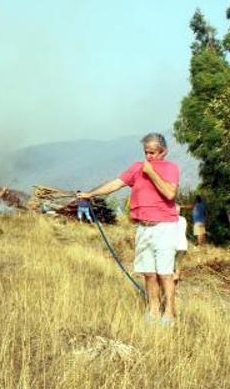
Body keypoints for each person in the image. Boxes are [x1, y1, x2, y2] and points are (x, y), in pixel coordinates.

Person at [77, 133, 180, 326]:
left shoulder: (170, 168)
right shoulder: (136, 168)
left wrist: (151, 173)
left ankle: (169, 314)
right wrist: (91, 193)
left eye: (153, 153)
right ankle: (153, 310)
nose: (148, 156)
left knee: (165, 273)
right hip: (143, 227)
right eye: (146, 152)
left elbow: (170, 193)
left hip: (164, 228)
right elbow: (116, 184)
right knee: (148, 272)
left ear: (163, 152)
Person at [174, 204, 188, 283]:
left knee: (170, 263)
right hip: (183, 245)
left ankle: (173, 278)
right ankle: (177, 277)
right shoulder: (184, 219)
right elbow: (185, 232)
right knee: (178, 263)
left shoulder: (170, 219)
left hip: (174, 245)